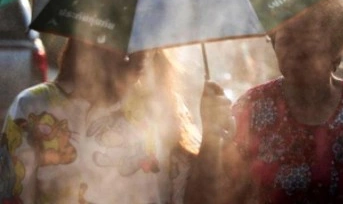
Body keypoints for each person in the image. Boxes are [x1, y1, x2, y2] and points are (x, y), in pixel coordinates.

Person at [192, 0, 343, 203]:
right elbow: (215, 198)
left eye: (309, 40)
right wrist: (211, 137)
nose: (295, 52)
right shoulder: (251, 108)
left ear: (335, 49)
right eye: (286, 40)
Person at [0, 39, 200, 204]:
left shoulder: (163, 108)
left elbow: (187, 195)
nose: (140, 53)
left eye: (145, 37)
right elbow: (11, 197)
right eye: (126, 37)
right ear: (89, 38)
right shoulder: (32, 107)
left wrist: (212, 147)